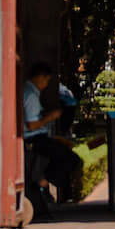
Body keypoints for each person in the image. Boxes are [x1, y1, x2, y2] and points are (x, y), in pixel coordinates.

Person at [22, 60, 81, 217]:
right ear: (41, 77)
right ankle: (42, 182)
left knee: (65, 153)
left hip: (38, 137)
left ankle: (43, 184)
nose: (46, 84)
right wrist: (51, 117)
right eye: (46, 80)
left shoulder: (30, 92)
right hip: (34, 139)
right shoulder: (31, 95)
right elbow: (33, 126)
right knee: (71, 159)